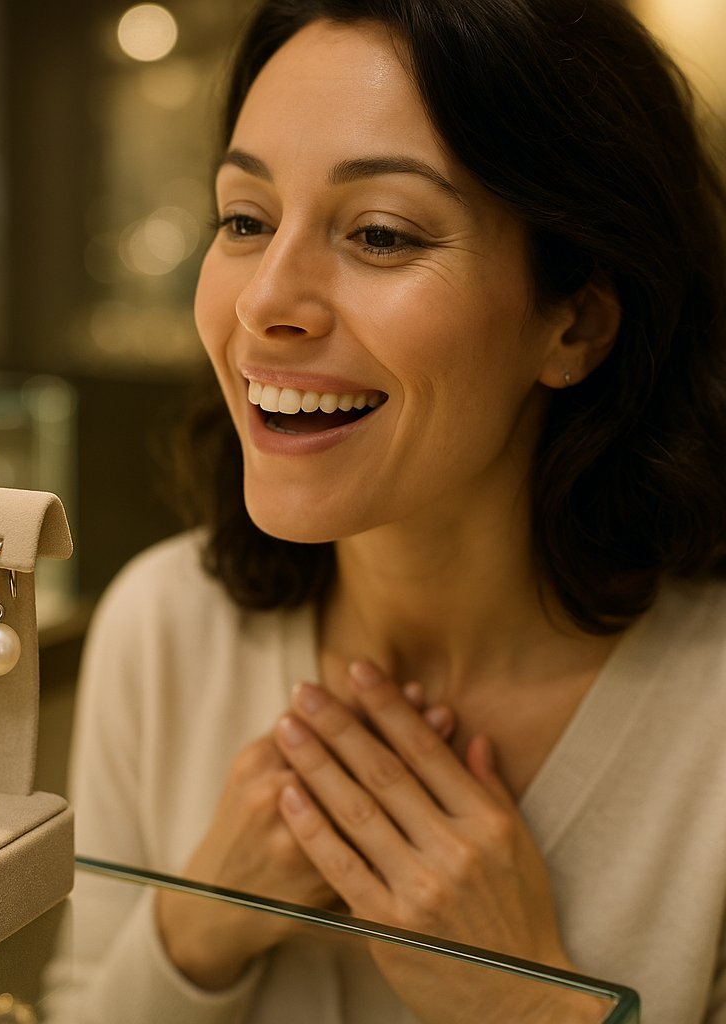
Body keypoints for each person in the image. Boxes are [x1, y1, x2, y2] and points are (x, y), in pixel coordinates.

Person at [59, 1, 726, 1021]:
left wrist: (531, 1004)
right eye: (243, 219)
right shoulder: (162, 627)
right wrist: (196, 928)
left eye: (378, 233)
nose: (263, 302)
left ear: (577, 319)